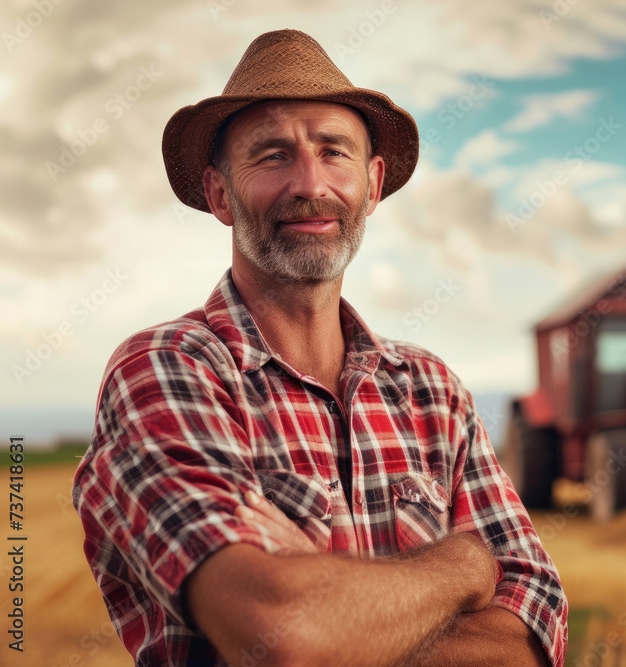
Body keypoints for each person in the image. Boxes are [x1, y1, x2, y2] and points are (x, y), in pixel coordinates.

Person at [72, 28, 567, 666]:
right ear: (221, 194)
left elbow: (532, 639)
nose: (310, 184)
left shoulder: (431, 391)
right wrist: (461, 568)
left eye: (334, 152)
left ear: (373, 182)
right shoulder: (168, 369)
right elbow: (282, 636)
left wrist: (328, 598)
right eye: (273, 155)